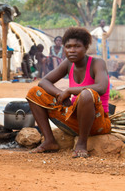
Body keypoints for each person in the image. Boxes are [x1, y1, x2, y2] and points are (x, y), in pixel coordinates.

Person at [25, 27, 111, 158]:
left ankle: (82, 143)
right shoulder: (68, 63)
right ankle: (49, 141)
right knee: (34, 92)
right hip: (74, 119)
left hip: (97, 123)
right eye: (68, 46)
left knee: (87, 94)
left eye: (77, 46)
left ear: (86, 47)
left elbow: (101, 87)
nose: (71, 50)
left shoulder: (97, 63)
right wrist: (60, 93)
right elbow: (44, 81)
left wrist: (69, 91)